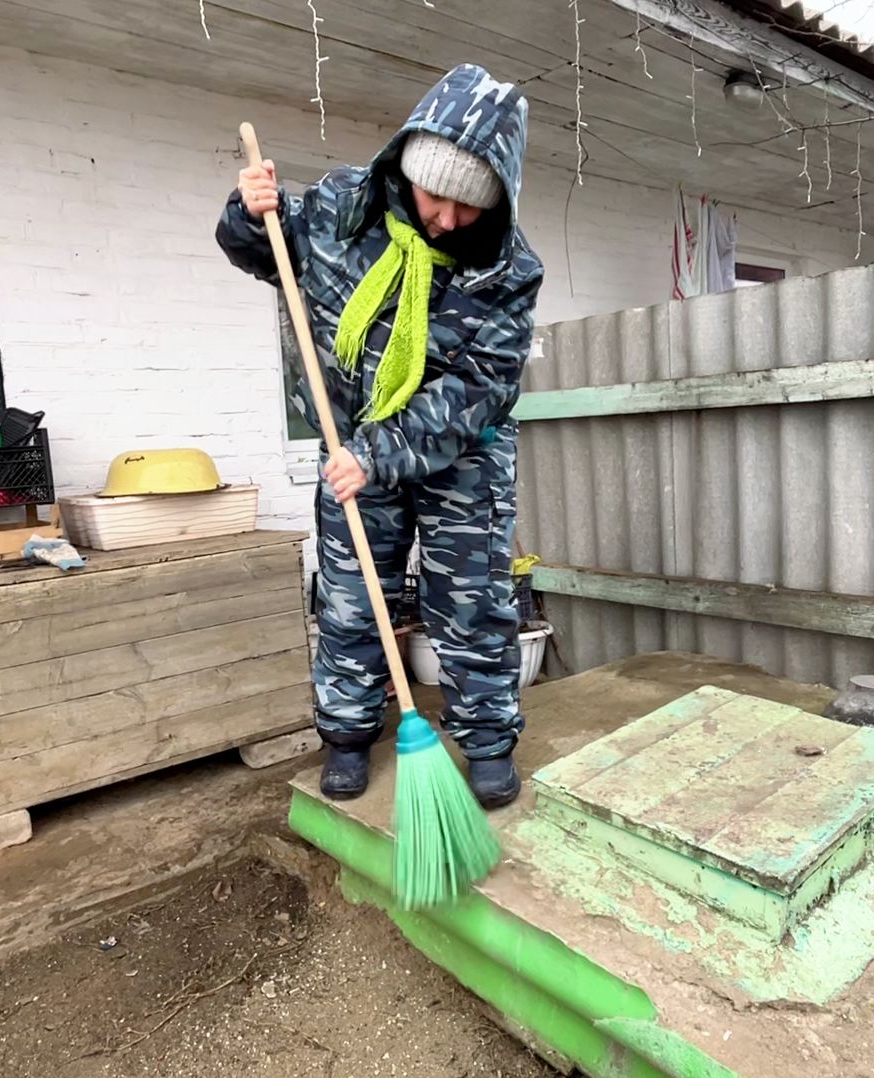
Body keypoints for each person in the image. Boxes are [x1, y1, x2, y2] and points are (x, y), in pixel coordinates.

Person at [215, 64, 543, 808]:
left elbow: (479, 390)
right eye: (436, 196)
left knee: (473, 603)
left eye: (470, 205)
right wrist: (250, 213)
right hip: (350, 438)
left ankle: (487, 742)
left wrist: (380, 454)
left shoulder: (509, 272)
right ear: (407, 167)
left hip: (461, 455)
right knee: (351, 596)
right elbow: (265, 252)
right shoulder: (340, 209)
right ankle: (348, 736)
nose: (447, 220)